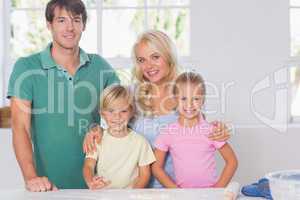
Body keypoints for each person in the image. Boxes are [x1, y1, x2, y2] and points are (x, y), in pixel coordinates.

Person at [83, 30, 231, 188]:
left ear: (168, 56)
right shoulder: (130, 95)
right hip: (138, 191)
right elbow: (113, 124)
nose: (148, 66)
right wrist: (96, 130)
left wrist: (219, 129)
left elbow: (200, 137)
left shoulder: (185, 95)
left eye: (155, 57)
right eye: (141, 60)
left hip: (178, 190)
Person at [7, 0, 119, 191]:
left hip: (98, 185)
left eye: (76, 20)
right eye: (61, 20)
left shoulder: (100, 66)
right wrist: (32, 178)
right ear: (49, 24)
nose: (70, 28)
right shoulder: (26, 68)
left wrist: (101, 129)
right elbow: (20, 128)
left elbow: (123, 114)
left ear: (83, 24)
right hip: (49, 188)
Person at [152, 72, 238, 188]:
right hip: (182, 195)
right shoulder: (168, 132)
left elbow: (232, 161)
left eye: (196, 99)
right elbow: (156, 167)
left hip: (208, 195)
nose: (189, 104)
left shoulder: (212, 130)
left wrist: (217, 189)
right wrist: (175, 191)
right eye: (183, 98)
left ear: (202, 100)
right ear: (175, 100)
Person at [83, 85, 155, 189]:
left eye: (123, 111)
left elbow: (144, 175)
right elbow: (88, 166)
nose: (117, 116)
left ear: (131, 112)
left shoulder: (140, 142)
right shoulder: (97, 138)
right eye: (111, 111)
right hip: (103, 195)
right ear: (102, 114)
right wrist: (91, 182)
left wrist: (133, 194)